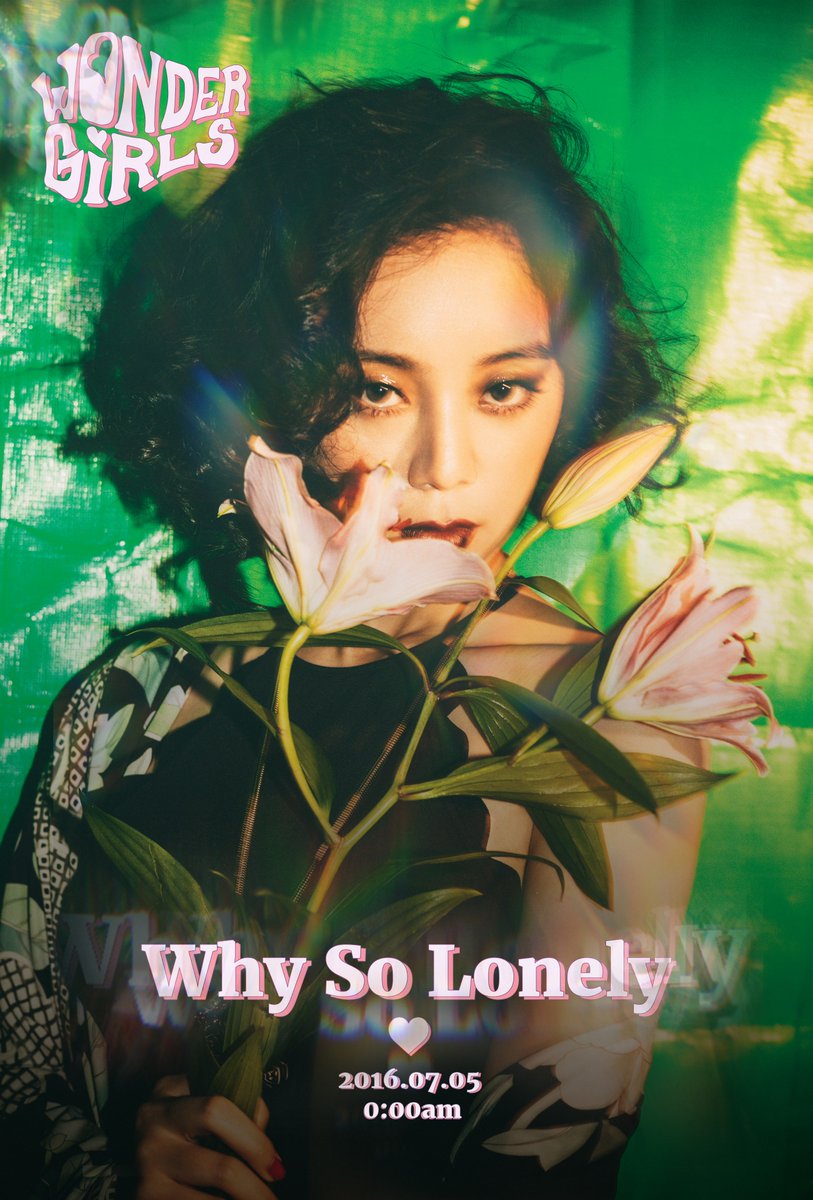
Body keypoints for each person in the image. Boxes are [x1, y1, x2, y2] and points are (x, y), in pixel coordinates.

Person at [0, 76, 705, 1199]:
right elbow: (17, 1074)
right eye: (377, 389)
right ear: (268, 392)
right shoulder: (133, 697)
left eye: (504, 389)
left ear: (569, 397)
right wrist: (115, 1174)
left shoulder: (609, 715)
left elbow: (554, 1151)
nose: (447, 466)